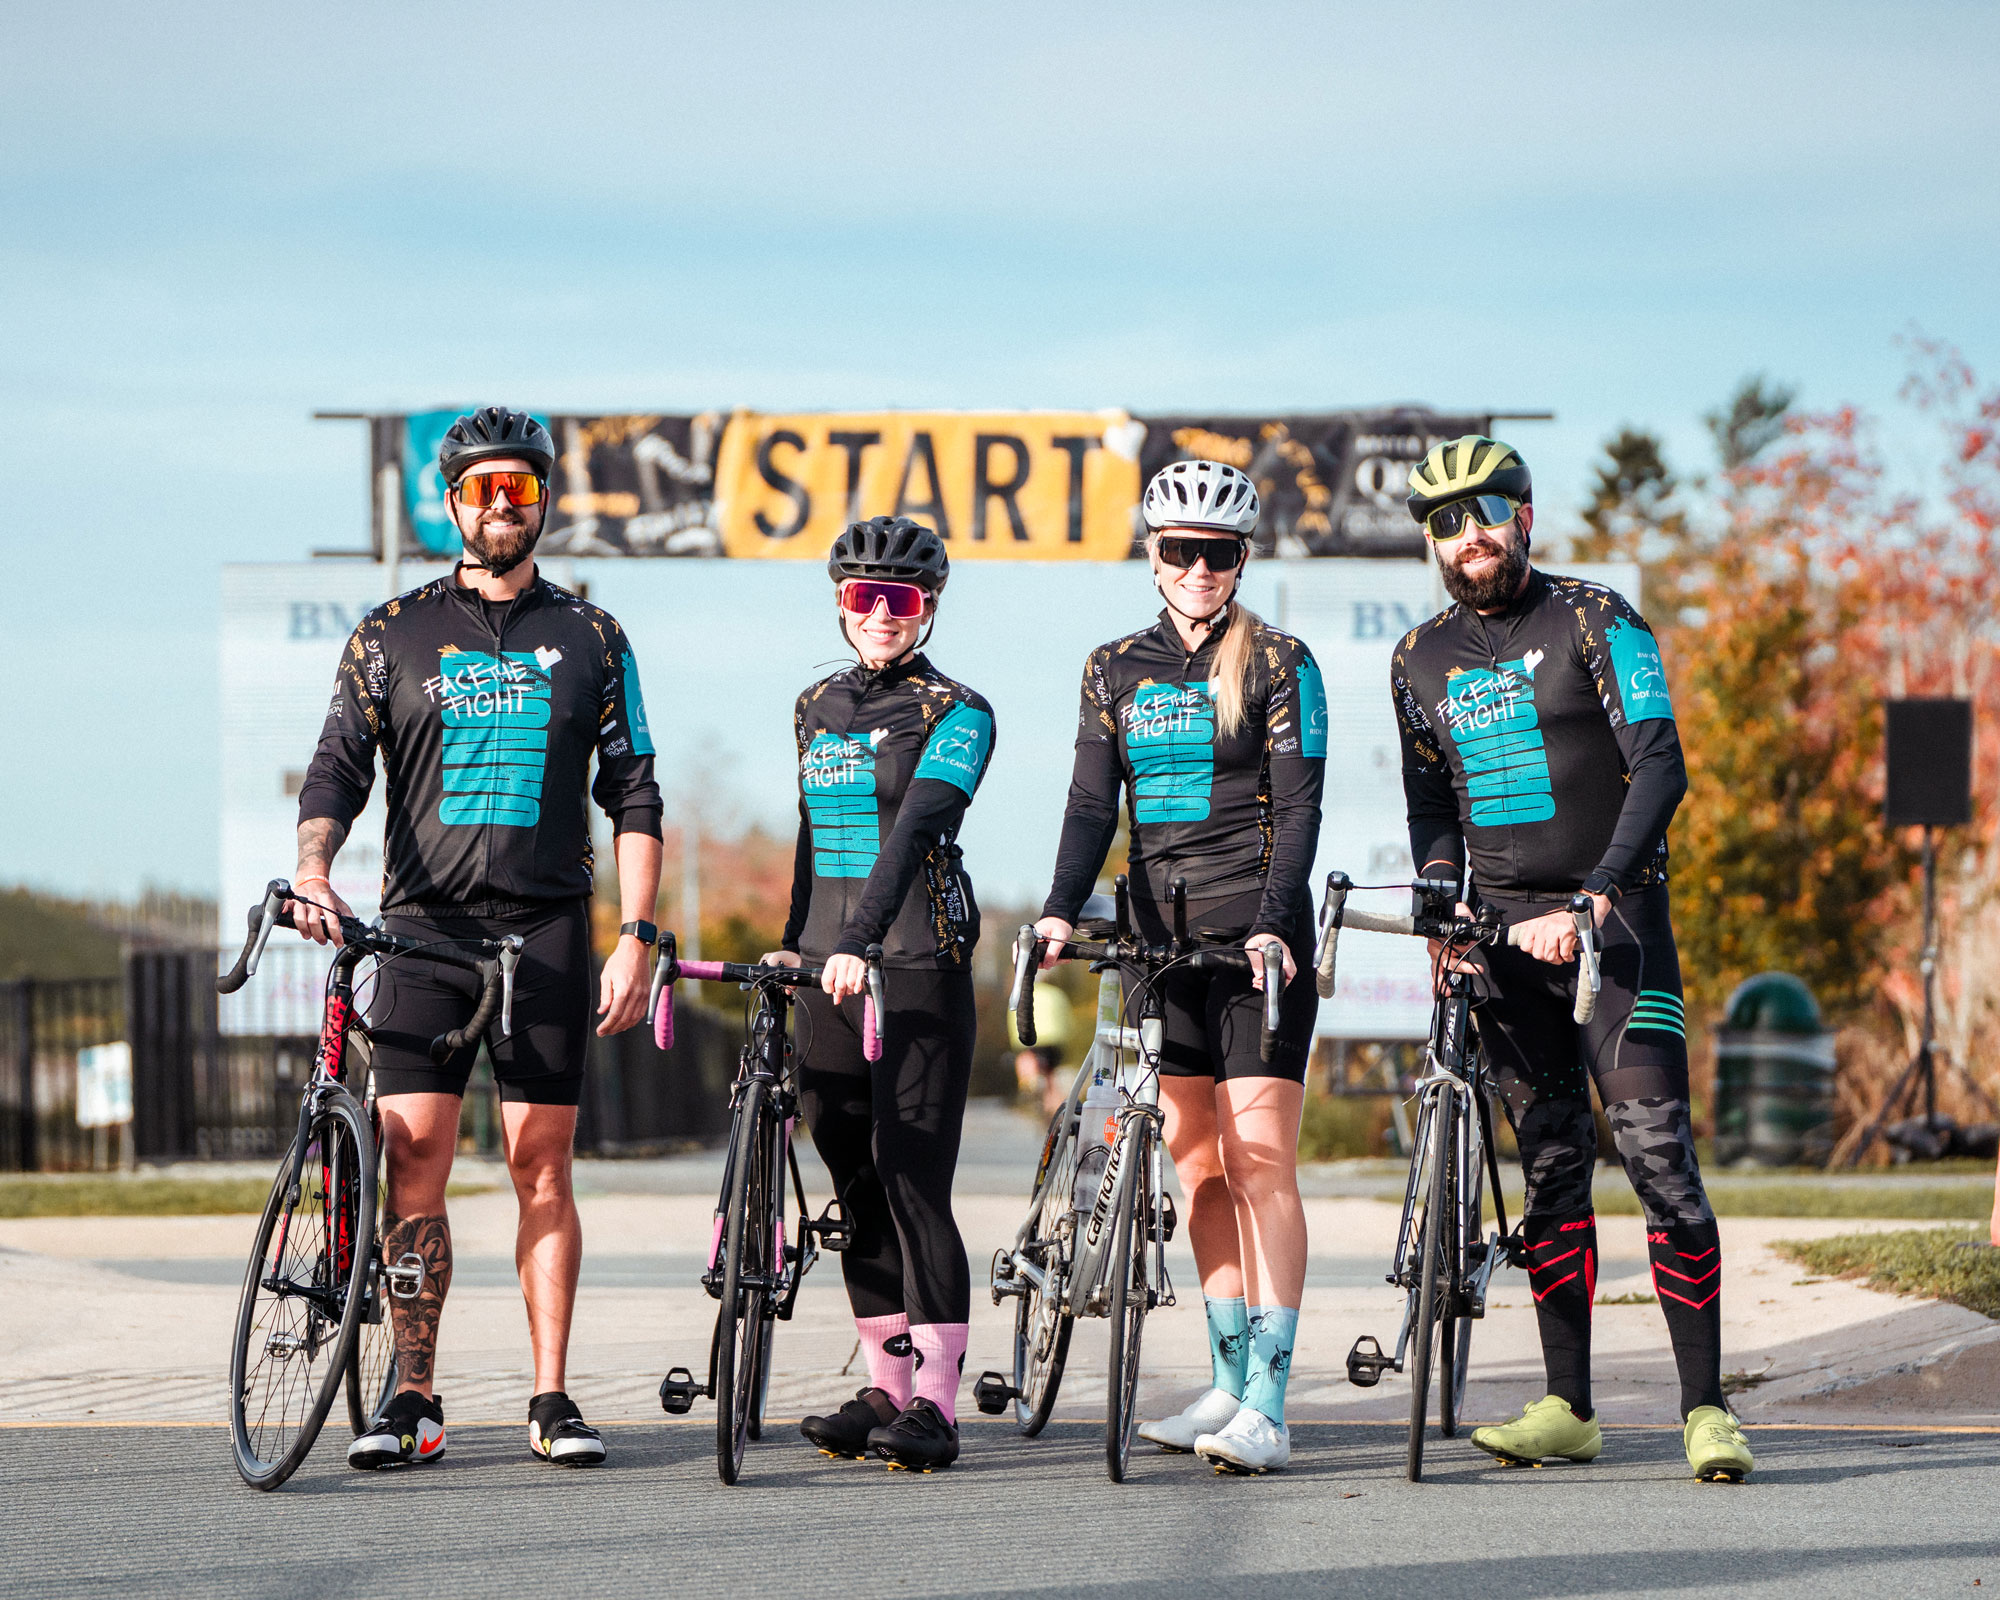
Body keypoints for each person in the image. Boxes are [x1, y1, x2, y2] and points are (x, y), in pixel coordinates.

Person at [292, 406, 663, 1471]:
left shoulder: (592, 635)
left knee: (540, 1163)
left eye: (522, 488)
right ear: (451, 502)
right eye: (482, 488)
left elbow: (633, 789)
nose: (502, 505)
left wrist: (636, 933)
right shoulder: (389, 633)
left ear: (544, 501)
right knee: (413, 1162)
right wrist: (315, 866)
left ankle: (549, 1397)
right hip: (425, 934)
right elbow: (335, 769)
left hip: (545, 928)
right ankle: (414, 1398)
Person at [1389, 434, 1753, 1482]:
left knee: (1656, 1165)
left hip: (1616, 932)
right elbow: (1430, 808)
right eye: (1445, 522)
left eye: (1484, 512)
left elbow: (1660, 765)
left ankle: (1703, 1408)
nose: (1468, 537)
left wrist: (1593, 898)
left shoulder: (1594, 617)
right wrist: (1438, 909)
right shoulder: (1416, 657)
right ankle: (1567, 1405)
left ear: (1523, 516)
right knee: (1551, 1172)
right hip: (1502, 947)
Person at [1033, 459, 1327, 1475]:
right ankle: (1225, 1381)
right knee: (1196, 1166)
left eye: (1220, 553)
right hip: (1160, 947)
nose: (1199, 569)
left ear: (1242, 558)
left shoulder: (1282, 662)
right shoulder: (1110, 665)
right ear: (1150, 555)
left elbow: (1297, 812)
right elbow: (1086, 807)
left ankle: (1271, 1406)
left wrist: (1274, 922)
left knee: (1259, 1166)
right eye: (1179, 551)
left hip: (1255, 946)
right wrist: (1059, 910)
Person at [769, 516, 996, 1472]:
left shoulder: (961, 710)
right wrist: (794, 945)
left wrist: (859, 941)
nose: (880, 616)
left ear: (930, 606)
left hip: (910, 971)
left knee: (911, 1184)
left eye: (899, 599)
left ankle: (938, 1404)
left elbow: (913, 837)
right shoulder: (813, 704)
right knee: (853, 1186)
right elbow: (815, 837)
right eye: (863, 597)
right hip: (827, 972)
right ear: (840, 602)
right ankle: (884, 1386)